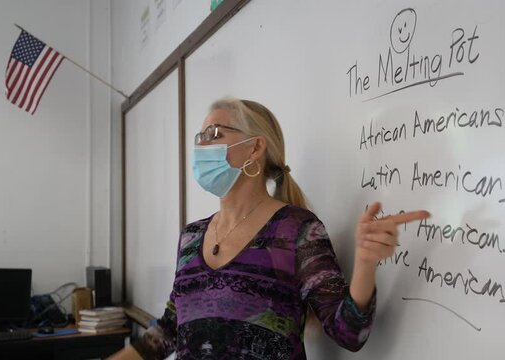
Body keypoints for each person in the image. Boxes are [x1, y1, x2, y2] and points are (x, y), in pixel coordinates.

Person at [109, 98, 429, 360]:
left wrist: (365, 264)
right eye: (200, 137)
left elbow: (349, 333)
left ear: (255, 147)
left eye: (214, 134)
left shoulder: (298, 230)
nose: (202, 146)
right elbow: (170, 331)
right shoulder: (191, 237)